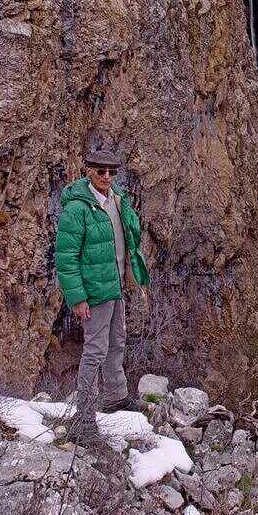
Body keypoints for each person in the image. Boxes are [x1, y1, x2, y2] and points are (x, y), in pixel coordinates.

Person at [55, 150, 150, 437]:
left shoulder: (115, 200)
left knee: (116, 342)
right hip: (95, 292)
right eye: (101, 171)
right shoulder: (77, 208)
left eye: (112, 172)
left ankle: (115, 397)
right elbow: (66, 257)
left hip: (115, 285)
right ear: (88, 171)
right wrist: (78, 298)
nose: (107, 177)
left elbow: (130, 237)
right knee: (94, 351)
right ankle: (83, 418)